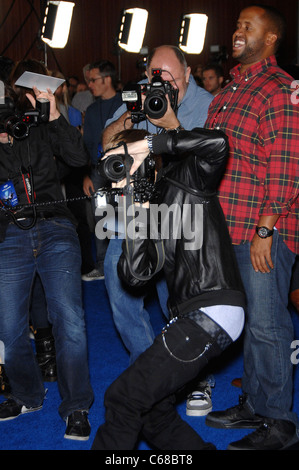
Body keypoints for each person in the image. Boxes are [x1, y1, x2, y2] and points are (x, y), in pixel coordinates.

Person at [91, 125, 245, 450]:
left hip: (210, 306)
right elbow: (136, 275)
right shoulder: (149, 204)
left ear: (147, 158)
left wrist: (149, 143)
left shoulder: (185, 176)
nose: (123, 167)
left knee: (122, 398)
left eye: (126, 158)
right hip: (196, 314)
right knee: (152, 408)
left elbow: (217, 143)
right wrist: (134, 208)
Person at [204, 5, 299, 450]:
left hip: (264, 229)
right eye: (238, 24)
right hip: (230, 226)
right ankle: (256, 405)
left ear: (272, 37)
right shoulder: (229, 90)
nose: (238, 31)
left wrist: (267, 228)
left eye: (248, 26)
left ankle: (279, 423)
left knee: (268, 325)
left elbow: (287, 163)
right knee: (249, 323)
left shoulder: (279, 88)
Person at [102, 45, 214, 415]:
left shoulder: (206, 102)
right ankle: (151, 370)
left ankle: (196, 375)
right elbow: (107, 144)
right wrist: (130, 118)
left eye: (168, 76)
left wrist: (168, 121)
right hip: (139, 204)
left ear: (186, 73)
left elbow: (204, 159)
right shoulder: (143, 93)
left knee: (178, 295)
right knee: (117, 280)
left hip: (184, 208)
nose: (160, 82)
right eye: (154, 74)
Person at [0, 59, 94, 441]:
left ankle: (76, 407)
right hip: (10, 233)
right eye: (26, 86)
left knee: (69, 321)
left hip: (55, 226)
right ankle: (27, 394)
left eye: (40, 86)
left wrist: (54, 113)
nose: (32, 93)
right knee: (8, 327)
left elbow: (78, 159)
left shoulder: (46, 123)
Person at [82, 60, 123, 281]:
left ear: (107, 79)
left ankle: (129, 263)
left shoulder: (125, 104)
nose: (89, 85)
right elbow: (87, 145)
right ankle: (102, 265)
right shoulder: (91, 109)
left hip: (125, 171)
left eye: (93, 80)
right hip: (98, 172)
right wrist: (86, 174)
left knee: (126, 217)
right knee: (101, 217)